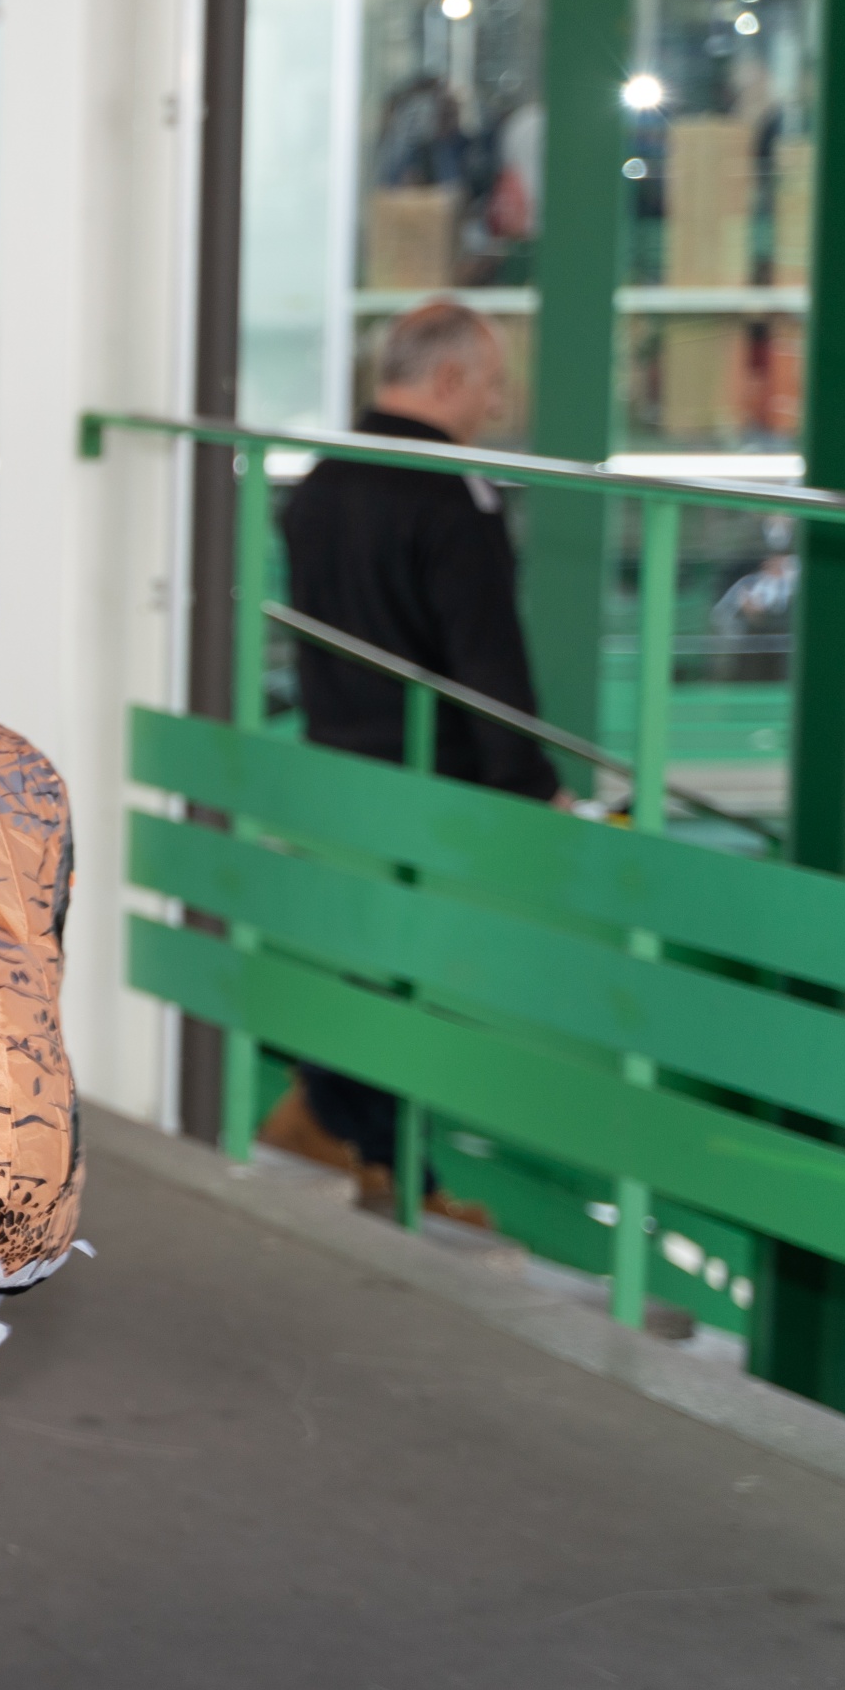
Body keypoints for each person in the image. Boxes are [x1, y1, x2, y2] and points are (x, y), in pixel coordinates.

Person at [259, 296, 556, 1213]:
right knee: (411, 978)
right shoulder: (451, 493)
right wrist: (531, 786)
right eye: (491, 387)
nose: (492, 408)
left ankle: (329, 1120)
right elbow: (486, 663)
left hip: (334, 766)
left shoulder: (319, 482)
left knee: (358, 958)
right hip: (429, 789)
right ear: (449, 378)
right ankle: (395, 1168)